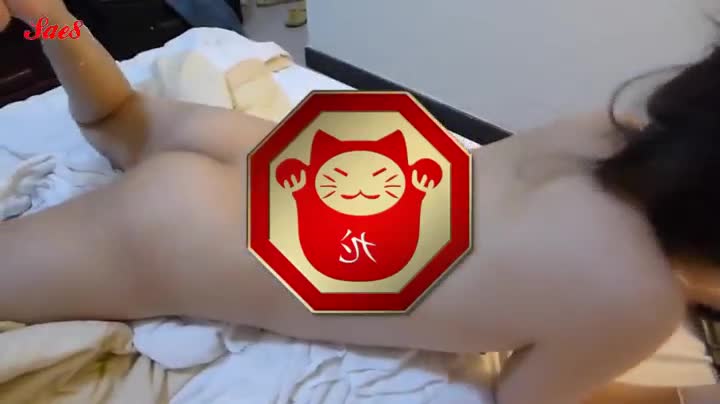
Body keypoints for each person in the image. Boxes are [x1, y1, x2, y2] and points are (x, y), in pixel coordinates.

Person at [0, 1, 718, 403]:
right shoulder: (638, 300)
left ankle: (48, 16)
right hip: (187, 231)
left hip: (310, 163)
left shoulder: (612, 129)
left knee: (119, 118)